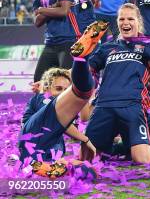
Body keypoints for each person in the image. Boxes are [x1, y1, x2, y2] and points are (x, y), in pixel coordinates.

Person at [83, 3, 150, 165]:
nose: (125, 22)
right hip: (103, 107)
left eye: (130, 18)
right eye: (121, 19)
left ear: (138, 22)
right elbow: (87, 72)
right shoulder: (107, 47)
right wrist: (82, 54)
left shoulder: (148, 45)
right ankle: (122, 147)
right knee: (87, 159)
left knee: (143, 160)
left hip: (131, 107)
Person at [18, 21, 102, 178]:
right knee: (82, 92)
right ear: (47, 88)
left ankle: (45, 169)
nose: (62, 94)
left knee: (87, 172)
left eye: (65, 90)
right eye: (58, 89)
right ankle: (81, 59)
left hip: (44, 155)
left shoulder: (59, 128)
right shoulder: (41, 98)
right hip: (31, 141)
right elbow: (62, 121)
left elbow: (83, 116)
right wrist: (85, 139)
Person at [32, 0, 76, 82]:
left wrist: (42, 9)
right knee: (38, 81)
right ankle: (45, 102)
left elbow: (63, 11)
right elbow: (37, 22)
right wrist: (53, 7)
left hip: (67, 42)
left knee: (65, 80)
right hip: (50, 43)